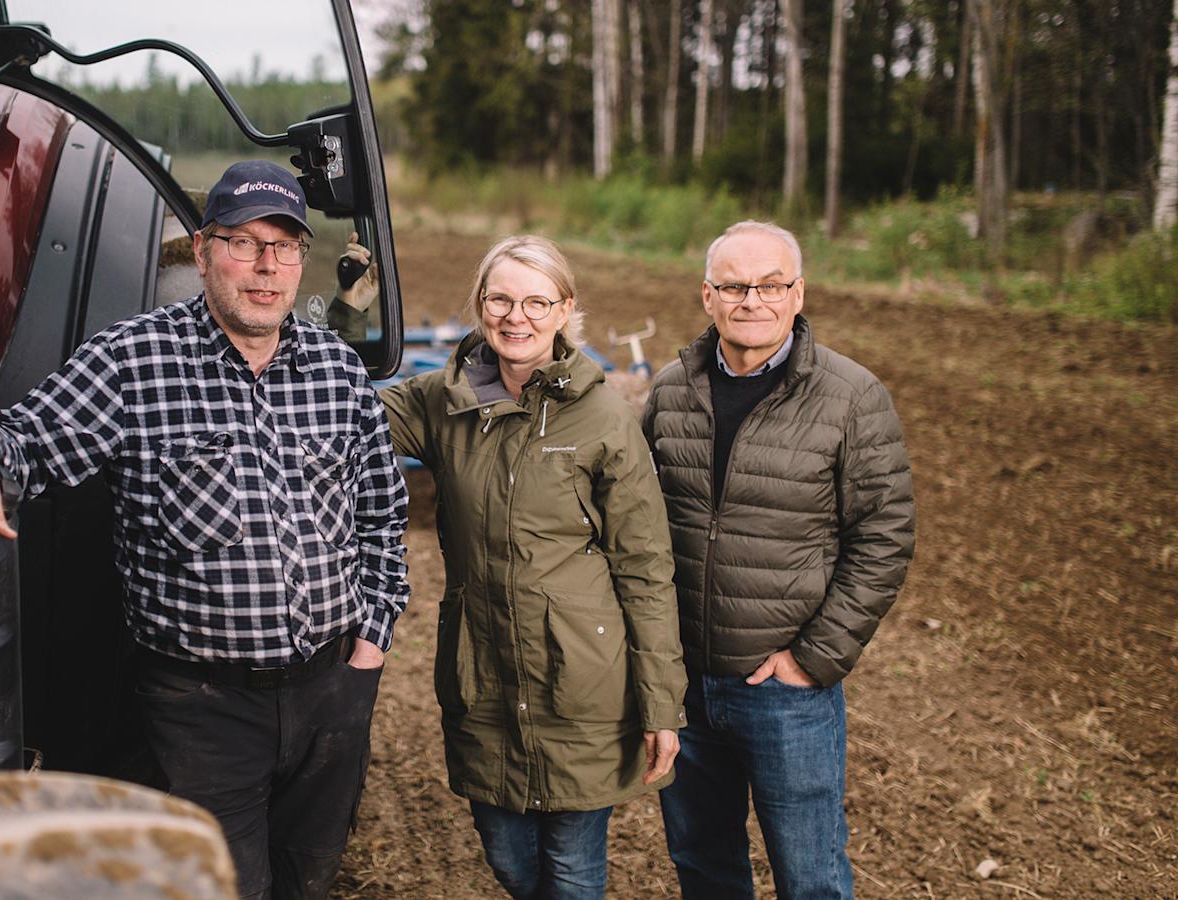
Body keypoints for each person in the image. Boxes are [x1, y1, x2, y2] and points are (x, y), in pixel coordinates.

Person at [0, 159, 410, 900]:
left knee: (309, 875)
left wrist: (370, 644)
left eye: (284, 247)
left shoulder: (337, 371)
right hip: (201, 709)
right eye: (245, 242)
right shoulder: (134, 361)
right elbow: (26, 439)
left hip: (332, 692)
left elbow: (381, 514)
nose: (266, 266)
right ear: (206, 248)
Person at [381, 235, 686, 900]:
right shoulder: (441, 402)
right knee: (512, 863)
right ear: (479, 305)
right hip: (482, 674)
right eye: (500, 299)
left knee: (573, 873)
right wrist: (350, 308)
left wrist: (663, 702)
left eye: (535, 301)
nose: (515, 317)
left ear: (563, 309)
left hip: (582, 679)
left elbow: (644, 568)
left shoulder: (604, 415)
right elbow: (341, 403)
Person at [641, 220, 916, 899]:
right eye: (734, 285)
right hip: (685, 685)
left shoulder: (850, 396)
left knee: (811, 876)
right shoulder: (672, 389)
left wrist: (814, 658)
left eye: (771, 284)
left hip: (784, 691)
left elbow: (885, 534)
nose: (752, 300)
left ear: (799, 294)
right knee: (704, 866)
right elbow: (639, 522)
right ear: (708, 296)